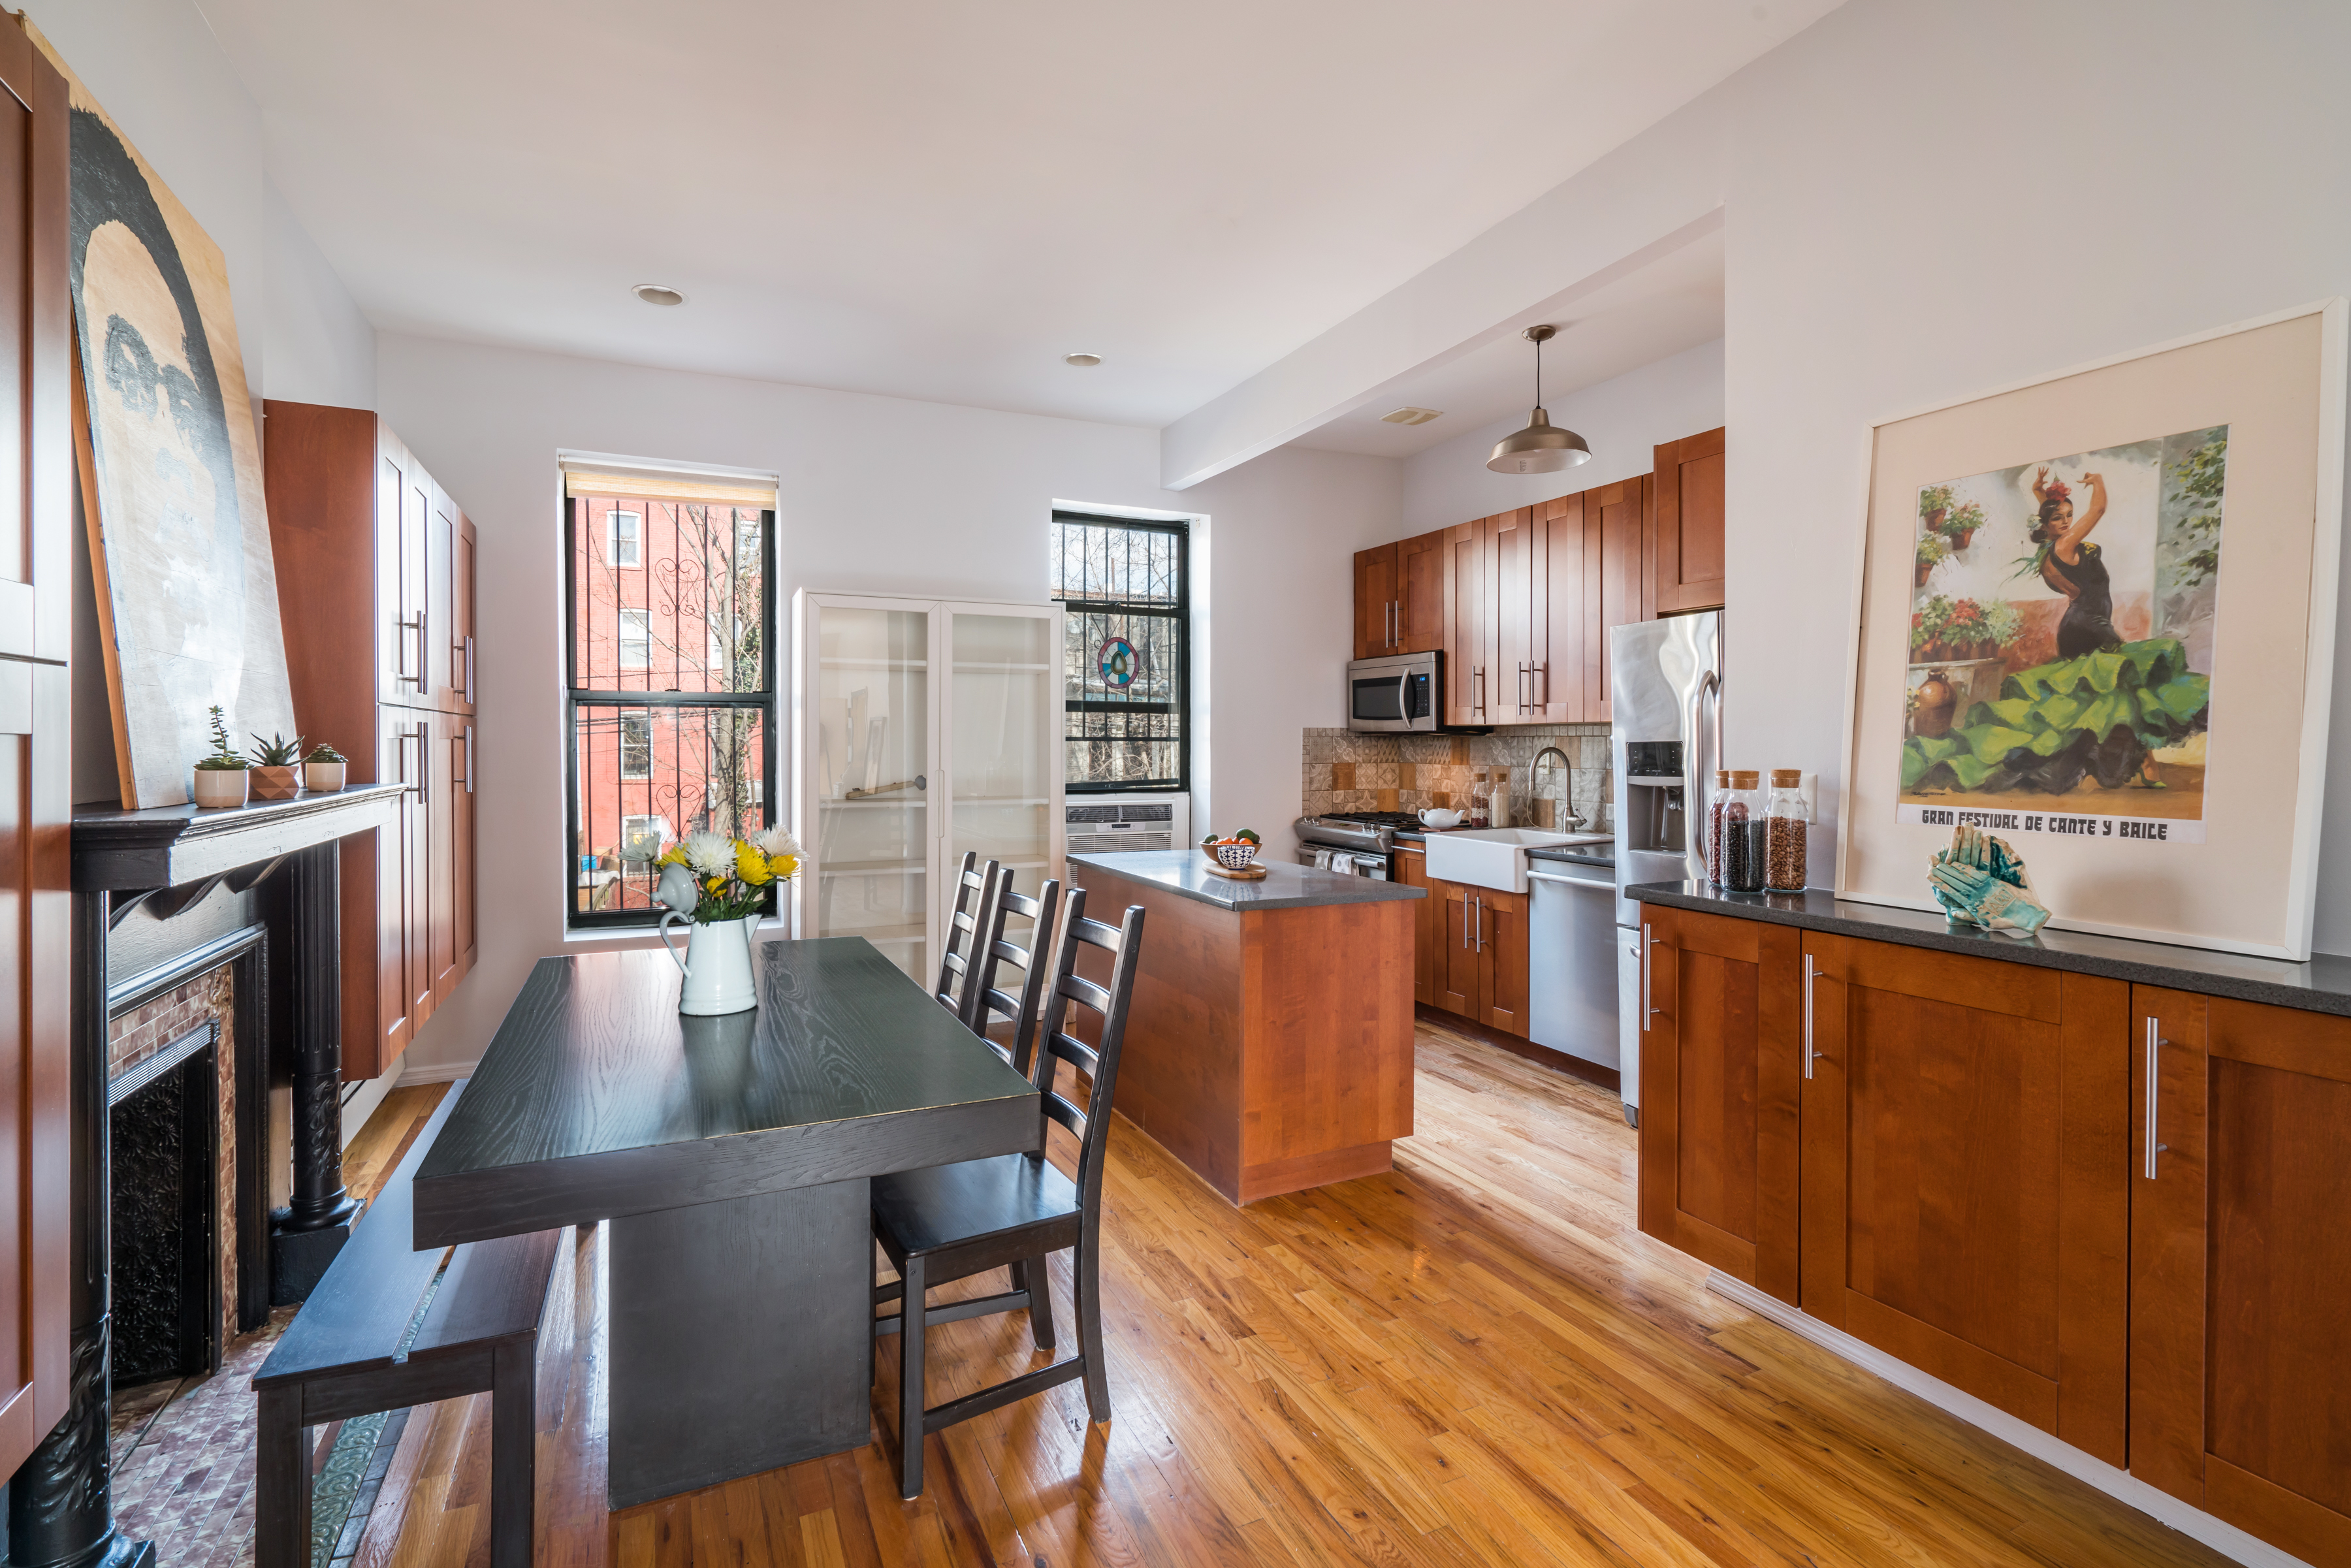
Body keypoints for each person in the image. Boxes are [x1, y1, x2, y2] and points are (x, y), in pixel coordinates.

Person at [2029, 466, 2118, 656]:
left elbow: (2050, 513)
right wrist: (2098, 480)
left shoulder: (2050, 546)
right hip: (2091, 626)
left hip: (2079, 625)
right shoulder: (2064, 546)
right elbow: (2098, 509)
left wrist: (2038, 491)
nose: (2066, 522)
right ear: (2045, 525)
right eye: (2058, 519)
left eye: (2070, 515)